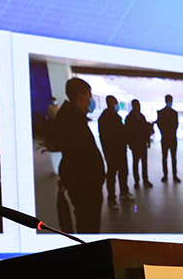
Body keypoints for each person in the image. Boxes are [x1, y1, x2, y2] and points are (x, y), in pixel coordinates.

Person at [54, 77, 105, 233]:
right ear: (80, 96)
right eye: (89, 95)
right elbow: (77, 156)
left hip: (85, 184)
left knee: (86, 222)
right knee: (88, 223)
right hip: (85, 186)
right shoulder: (71, 121)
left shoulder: (73, 117)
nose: (90, 100)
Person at [98, 95, 130, 207]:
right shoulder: (104, 119)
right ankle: (111, 198)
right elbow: (104, 138)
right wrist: (107, 154)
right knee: (112, 175)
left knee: (123, 172)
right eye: (114, 103)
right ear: (109, 103)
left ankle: (124, 192)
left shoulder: (117, 117)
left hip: (121, 150)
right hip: (112, 152)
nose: (116, 105)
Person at [126, 98, 154, 188]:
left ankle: (145, 180)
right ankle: (137, 181)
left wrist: (147, 141)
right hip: (135, 143)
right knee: (136, 163)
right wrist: (130, 143)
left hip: (142, 143)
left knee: (144, 163)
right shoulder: (129, 118)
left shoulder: (141, 117)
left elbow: (145, 129)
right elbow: (128, 132)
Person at [156, 95, 180, 183]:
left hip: (166, 138)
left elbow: (160, 124)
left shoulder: (162, 113)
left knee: (167, 157)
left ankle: (168, 175)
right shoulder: (173, 113)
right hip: (170, 137)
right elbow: (175, 125)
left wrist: (164, 132)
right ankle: (171, 175)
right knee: (170, 157)